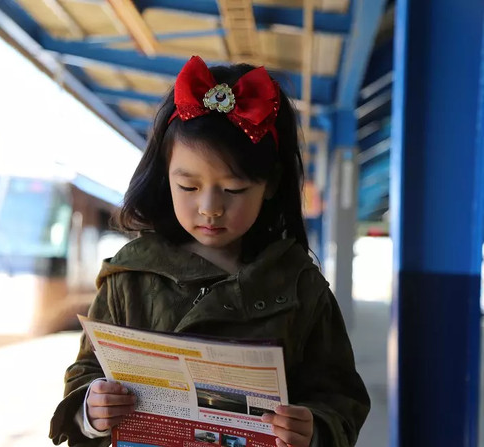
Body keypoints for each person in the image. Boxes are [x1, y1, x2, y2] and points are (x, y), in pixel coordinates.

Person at [49, 55, 370, 447]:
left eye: (233, 189)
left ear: (269, 185)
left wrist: (314, 429)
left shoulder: (301, 286)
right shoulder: (127, 278)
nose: (210, 208)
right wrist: (91, 410)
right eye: (188, 187)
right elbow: (85, 372)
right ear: (164, 177)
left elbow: (341, 397)